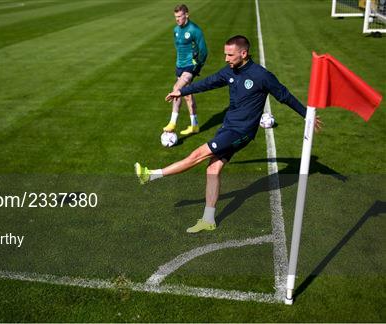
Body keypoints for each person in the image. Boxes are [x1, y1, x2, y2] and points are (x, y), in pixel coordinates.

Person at [135, 35, 322, 233]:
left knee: (197, 155)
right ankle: (208, 220)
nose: (226, 58)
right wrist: (181, 91)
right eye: (225, 54)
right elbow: (208, 82)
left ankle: (151, 175)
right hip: (228, 127)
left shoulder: (261, 76)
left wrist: (307, 116)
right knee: (212, 170)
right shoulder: (230, 71)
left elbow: (284, 96)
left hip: (241, 131)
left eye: (230, 54)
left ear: (244, 53)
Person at [163, 4, 208, 135]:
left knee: (177, 89)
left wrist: (197, 66)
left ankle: (172, 122)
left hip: (190, 66)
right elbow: (178, 47)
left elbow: (203, 51)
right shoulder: (176, 30)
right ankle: (195, 125)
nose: (177, 19)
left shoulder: (195, 30)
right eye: (175, 17)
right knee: (188, 95)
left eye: (179, 16)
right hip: (180, 66)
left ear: (186, 15)